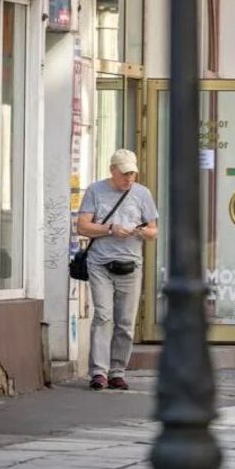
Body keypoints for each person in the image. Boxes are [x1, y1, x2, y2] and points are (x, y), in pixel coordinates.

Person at [76, 149, 158, 391]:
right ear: (112, 170)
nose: (129, 178)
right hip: (100, 263)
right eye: (124, 174)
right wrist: (111, 229)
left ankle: (117, 371)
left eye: (132, 173)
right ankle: (98, 373)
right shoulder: (95, 190)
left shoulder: (143, 194)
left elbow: (154, 231)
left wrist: (141, 231)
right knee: (103, 316)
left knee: (125, 322)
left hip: (131, 265)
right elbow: (82, 226)